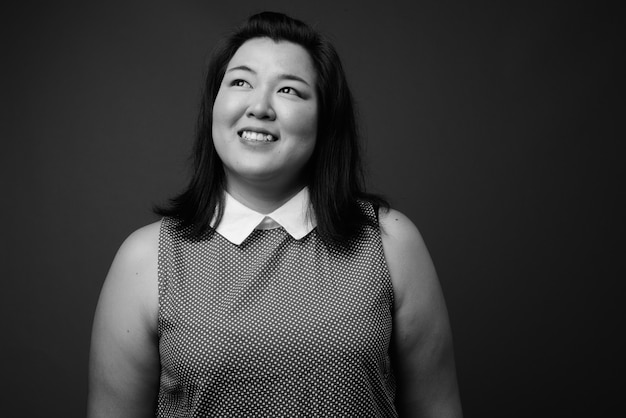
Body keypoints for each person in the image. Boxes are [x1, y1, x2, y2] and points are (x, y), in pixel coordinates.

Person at [88, 11, 462, 417]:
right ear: (214, 105)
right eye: (241, 82)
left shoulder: (390, 241)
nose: (259, 106)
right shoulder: (144, 259)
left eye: (289, 90)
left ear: (325, 119)